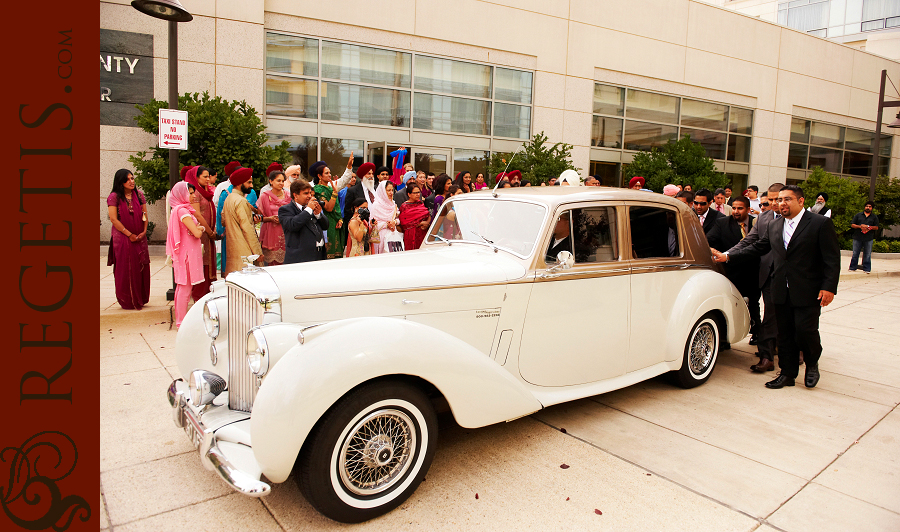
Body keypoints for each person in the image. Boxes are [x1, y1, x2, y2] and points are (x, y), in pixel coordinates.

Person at [713, 185, 840, 389]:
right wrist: (728, 256)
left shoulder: (820, 224)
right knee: (785, 333)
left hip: (808, 289)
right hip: (780, 288)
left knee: (805, 331)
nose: (781, 203)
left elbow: (832, 259)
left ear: (801, 201)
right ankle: (788, 374)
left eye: (787, 199)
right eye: (779, 200)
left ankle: (812, 363)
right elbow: (758, 246)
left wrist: (829, 287)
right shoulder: (774, 225)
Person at [720, 182, 784, 372]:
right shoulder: (764, 219)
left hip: (794, 277)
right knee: (770, 314)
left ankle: (797, 348)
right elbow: (750, 241)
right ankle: (767, 355)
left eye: (777, 200)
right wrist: (727, 255)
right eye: (770, 200)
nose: (773, 204)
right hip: (768, 274)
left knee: (791, 317)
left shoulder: (808, 221)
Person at [706, 196, 760, 346]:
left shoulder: (757, 223)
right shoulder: (722, 223)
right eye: (734, 208)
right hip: (732, 271)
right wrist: (713, 251)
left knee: (754, 303)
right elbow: (707, 240)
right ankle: (726, 338)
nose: (736, 211)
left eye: (740, 208)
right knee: (732, 303)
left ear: (748, 209)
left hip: (753, 271)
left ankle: (757, 332)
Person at [107, 169, 150, 310]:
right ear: (121, 182)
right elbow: (113, 219)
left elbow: (144, 215)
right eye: (128, 179)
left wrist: (144, 231)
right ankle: (127, 299)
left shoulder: (139, 195)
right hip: (123, 237)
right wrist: (129, 234)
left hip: (139, 236)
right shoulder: (114, 197)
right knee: (126, 268)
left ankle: (141, 298)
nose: (132, 181)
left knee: (141, 266)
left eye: (132, 178)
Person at [166, 181, 205, 328]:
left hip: (185, 253)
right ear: (181, 194)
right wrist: (199, 229)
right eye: (189, 192)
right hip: (186, 254)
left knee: (182, 287)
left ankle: (180, 320)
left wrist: (197, 228)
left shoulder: (181, 209)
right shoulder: (182, 211)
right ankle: (181, 322)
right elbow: (195, 232)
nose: (193, 195)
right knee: (185, 288)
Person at [221, 167, 263, 277]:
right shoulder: (241, 201)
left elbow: (224, 221)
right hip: (245, 250)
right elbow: (247, 229)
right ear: (240, 183)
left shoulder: (229, 199)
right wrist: (258, 252)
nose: (251, 186)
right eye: (249, 182)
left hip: (232, 249)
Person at [184, 165, 218, 299]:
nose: (208, 179)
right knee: (201, 262)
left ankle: (209, 294)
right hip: (200, 233)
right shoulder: (195, 193)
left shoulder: (207, 192)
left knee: (209, 261)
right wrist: (209, 231)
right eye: (205, 177)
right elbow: (197, 215)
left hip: (209, 233)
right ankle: (199, 296)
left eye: (209, 176)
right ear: (196, 177)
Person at [280, 179, 328, 263]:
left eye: (310, 193)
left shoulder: (311, 208)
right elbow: (293, 225)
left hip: (319, 255)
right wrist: (308, 210)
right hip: (300, 258)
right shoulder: (285, 210)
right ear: (295, 195)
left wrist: (318, 214)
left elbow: (325, 226)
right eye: (306, 193)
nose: (309, 196)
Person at [312, 164, 348, 259]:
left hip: (336, 223)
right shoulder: (318, 190)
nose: (329, 175)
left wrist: (340, 219)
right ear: (319, 176)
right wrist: (334, 193)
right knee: (328, 255)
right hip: (326, 223)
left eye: (330, 173)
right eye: (326, 173)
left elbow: (337, 207)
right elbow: (328, 208)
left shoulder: (330, 188)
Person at [257, 170, 291, 266]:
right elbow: (260, 217)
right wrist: (270, 219)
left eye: (282, 181)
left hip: (286, 231)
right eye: (278, 181)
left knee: (287, 263)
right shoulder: (264, 196)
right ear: (271, 181)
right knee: (273, 263)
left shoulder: (288, 195)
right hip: (271, 232)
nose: (281, 183)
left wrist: (285, 218)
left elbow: (293, 213)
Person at [342, 162, 379, 233]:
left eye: (372, 173)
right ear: (363, 175)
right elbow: (347, 212)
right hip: (360, 229)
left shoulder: (376, 189)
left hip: (376, 227)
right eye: (368, 173)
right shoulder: (353, 190)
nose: (371, 176)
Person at [369, 180, 400, 254]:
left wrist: (395, 222)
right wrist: (386, 225)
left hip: (393, 235)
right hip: (380, 237)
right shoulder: (376, 205)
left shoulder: (393, 204)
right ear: (382, 191)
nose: (391, 193)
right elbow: (372, 224)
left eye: (392, 190)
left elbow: (399, 219)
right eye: (388, 190)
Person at [849, 201, 879, 273]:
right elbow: (852, 224)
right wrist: (860, 226)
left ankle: (867, 268)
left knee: (867, 253)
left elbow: (876, 227)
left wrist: (868, 227)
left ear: (872, 208)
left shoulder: (874, 217)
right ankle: (852, 267)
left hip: (868, 238)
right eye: (866, 206)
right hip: (857, 237)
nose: (868, 208)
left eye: (869, 207)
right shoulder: (858, 215)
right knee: (855, 253)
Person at [398, 184, 430, 251]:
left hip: (422, 233)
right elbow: (404, 223)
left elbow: (427, 214)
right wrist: (419, 223)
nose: (417, 194)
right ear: (409, 194)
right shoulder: (404, 206)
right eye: (415, 193)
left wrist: (427, 223)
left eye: (418, 192)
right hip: (410, 235)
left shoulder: (420, 203)